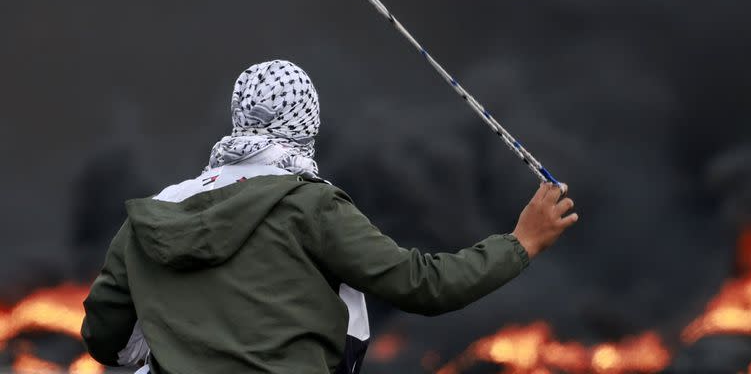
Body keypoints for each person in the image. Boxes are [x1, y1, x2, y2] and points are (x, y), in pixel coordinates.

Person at [80, 59, 578, 374]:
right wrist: (521, 243)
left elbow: (105, 338)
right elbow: (424, 285)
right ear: (307, 122)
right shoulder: (311, 206)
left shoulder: (152, 215)